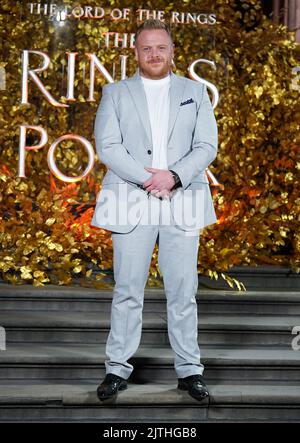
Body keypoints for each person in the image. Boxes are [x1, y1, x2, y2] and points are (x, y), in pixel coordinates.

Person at [90, 18, 218, 402]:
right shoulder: (115, 92)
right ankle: (116, 369)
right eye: (147, 48)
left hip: (183, 201)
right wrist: (152, 179)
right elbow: (108, 147)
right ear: (136, 52)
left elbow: (206, 146)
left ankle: (190, 370)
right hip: (132, 201)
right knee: (127, 290)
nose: (154, 54)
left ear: (173, 51)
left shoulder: (195, 93)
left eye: (161, 47)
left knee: (183, 292)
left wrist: (175, 176)